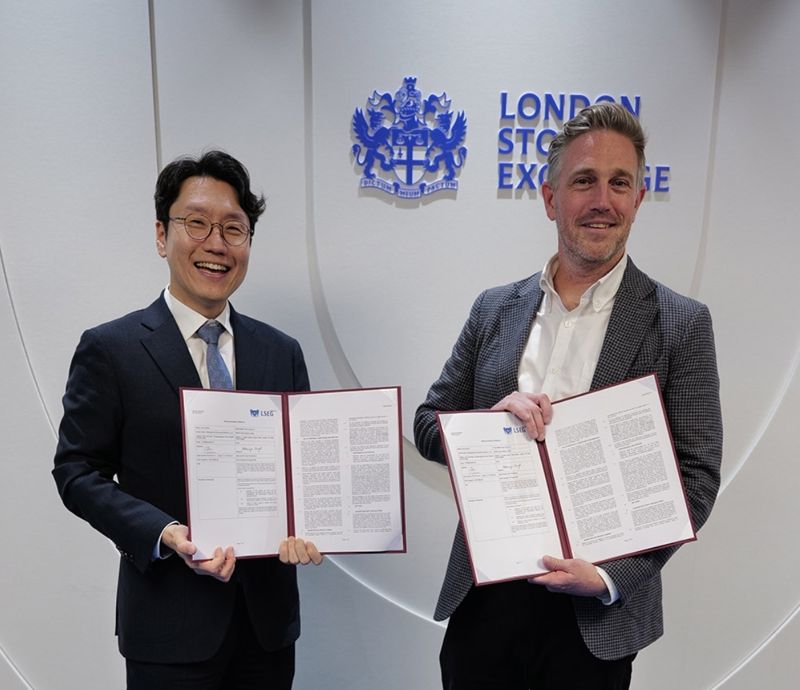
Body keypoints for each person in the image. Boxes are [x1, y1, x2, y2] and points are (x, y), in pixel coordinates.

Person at [414, 103, 722, 690]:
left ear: (638, 199)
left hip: (596, 622)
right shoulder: (494, 308)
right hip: (485, 603)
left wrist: (609, 577)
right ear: (551, 198)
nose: (602, 200)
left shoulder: (681, 323)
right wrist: (486, 424)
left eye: (619, 183)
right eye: (584, 181)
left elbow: (696, 479)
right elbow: (429, 424)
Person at [53, 150, 322, 689]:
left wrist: (311, 521)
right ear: (162, 235)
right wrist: (163, 532)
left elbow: (305, 470)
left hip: (266, 628)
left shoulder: (281, 351)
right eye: (196, 223)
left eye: (233, 228)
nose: (216, 244)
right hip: (167, 626)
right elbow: (76, 472)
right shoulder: (111, 348)